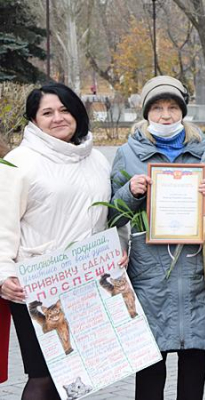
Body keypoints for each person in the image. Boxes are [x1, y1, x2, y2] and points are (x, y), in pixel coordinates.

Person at [107, 76, 205, 400]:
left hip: (194, 270)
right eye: (157, 108)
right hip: (150, 274)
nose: (165, 115)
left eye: (172, 107)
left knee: (193, 357)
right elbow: (111, 215)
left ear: (182, 112)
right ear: (146, 113)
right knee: (149, 362)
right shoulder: (128, 153)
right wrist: (130, 192)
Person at [0, 83, 114, 399]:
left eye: (64, 109)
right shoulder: (19, 162)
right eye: (47, 112)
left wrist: (116, 254)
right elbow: (2, 222)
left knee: (75, 373)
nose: (58, 118)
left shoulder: (96, 159)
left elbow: (103, 217)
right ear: (34, 120)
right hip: (36, 282)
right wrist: (2, 274)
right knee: (42, 375)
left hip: (85, 281)